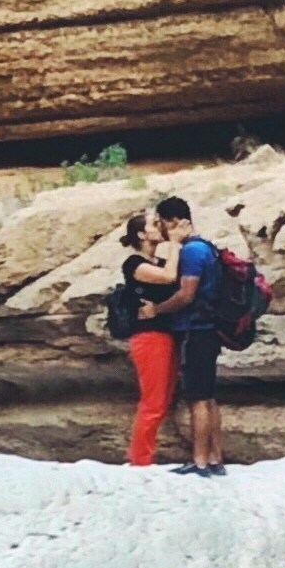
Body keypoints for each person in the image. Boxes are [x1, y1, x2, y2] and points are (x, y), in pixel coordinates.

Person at [141, 196, 229, 476]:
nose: (161, 229)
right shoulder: (208, 248)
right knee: (209, 396)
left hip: (195, 330)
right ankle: (215, 459)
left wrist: (157, 310)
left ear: (173, 222)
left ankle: (200, 461)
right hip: (210, 330)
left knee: (197, 398)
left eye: (161, 223)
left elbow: (186, 294)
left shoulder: (191, 252)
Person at [120, 214, 182, 468]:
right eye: (152, 224)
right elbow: (169, 278)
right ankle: (140, 459)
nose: (159, 226)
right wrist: (175, 242)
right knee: (153, 402)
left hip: (167, 335)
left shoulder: (161, 261)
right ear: (141, 235)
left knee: (163, 399)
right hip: (149, 338)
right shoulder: (134, 264)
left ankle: (141, 456)